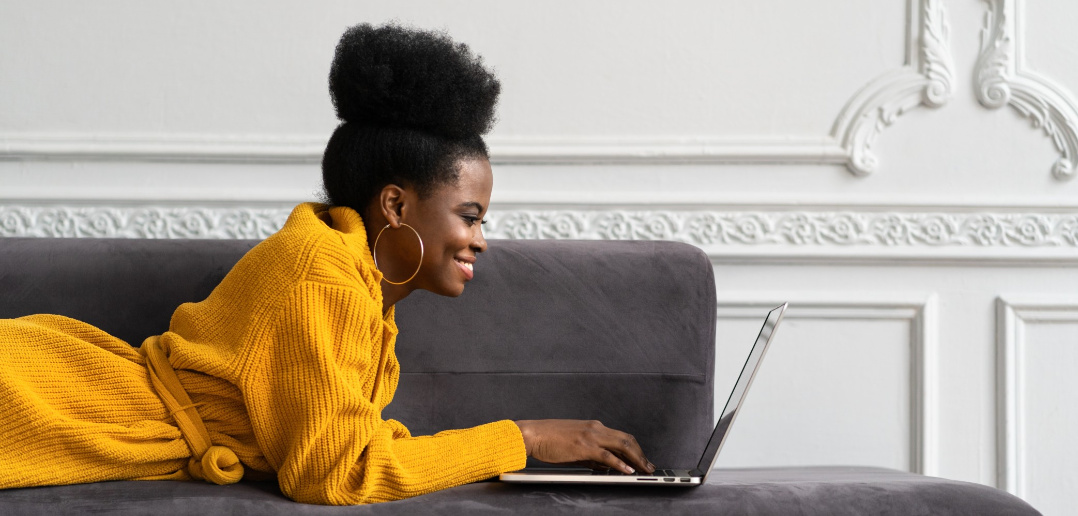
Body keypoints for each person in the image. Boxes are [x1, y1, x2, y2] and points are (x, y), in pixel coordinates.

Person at [0, 23, 654, 505]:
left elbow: (346, 448)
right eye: (470, 215)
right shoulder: (322, 273)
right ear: (396, 204)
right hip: (48, 395)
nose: (481, 239)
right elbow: (335, 473)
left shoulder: (356, 283)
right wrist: (526, 438)